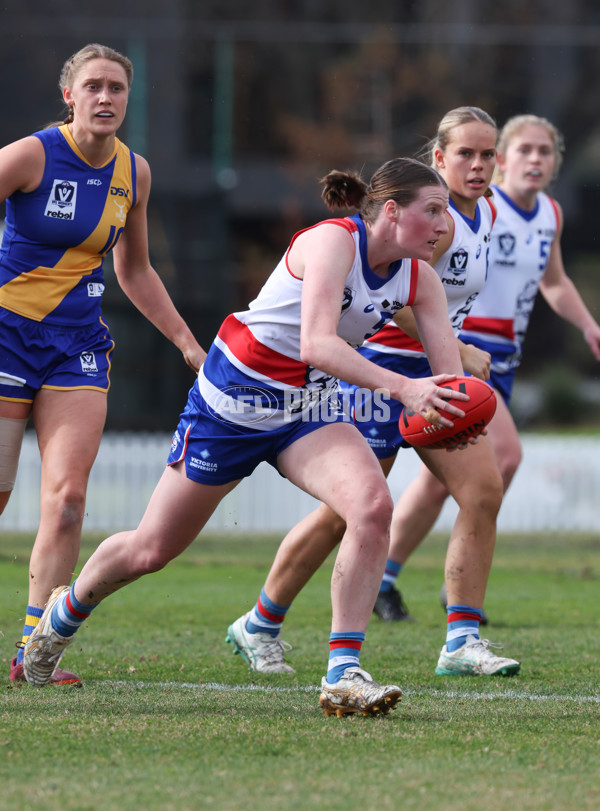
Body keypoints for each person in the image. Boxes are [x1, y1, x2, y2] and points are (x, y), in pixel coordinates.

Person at [22, 156, 472, 717]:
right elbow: (318, 345)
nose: (443, 226)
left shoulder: (421, 280)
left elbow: (450, 378)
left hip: (304, 408)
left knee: (372, 505)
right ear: (389, 211)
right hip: (233, 402)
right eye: (432, 211)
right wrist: (407, 391)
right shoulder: (335, 242)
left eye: (446, 214)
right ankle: (58, 621)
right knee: (151, 549)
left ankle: (343, 673)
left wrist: (454, 416)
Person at [224, 106, 521, 680]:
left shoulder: (482, 215)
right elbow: (398, 294)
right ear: (438, 158)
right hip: (379, 373)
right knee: (347, 514)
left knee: (483, 489)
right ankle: (260, 621)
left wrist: (450, 367)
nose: (479, 165)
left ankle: (462, 637)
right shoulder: (433, 218)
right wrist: (460, 354)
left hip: (429, 382)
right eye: (466, 153)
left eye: (488, 155)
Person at [0, 43, 205, 686]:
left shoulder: (134, 173)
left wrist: (185, 341)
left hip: (76, 345)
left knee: (66, 502)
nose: (106, 97)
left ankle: (37, 653)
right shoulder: (33, 153)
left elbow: (135, 269)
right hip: (7, 335)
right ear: (70, 95)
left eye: (117, 87)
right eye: (93, 86)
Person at [377, 114, 600, 622]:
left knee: (447, 481)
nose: (535, 160)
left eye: (545, 152)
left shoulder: (550, 215)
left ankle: (400, 579)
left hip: (500, 356)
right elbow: (408, 286)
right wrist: (454, 345)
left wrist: (589, 326)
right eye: (525, 150)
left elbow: (557, 282)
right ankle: (448, 596)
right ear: (504, 160)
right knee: (503, 459)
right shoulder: (469, 208)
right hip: (461, 350)